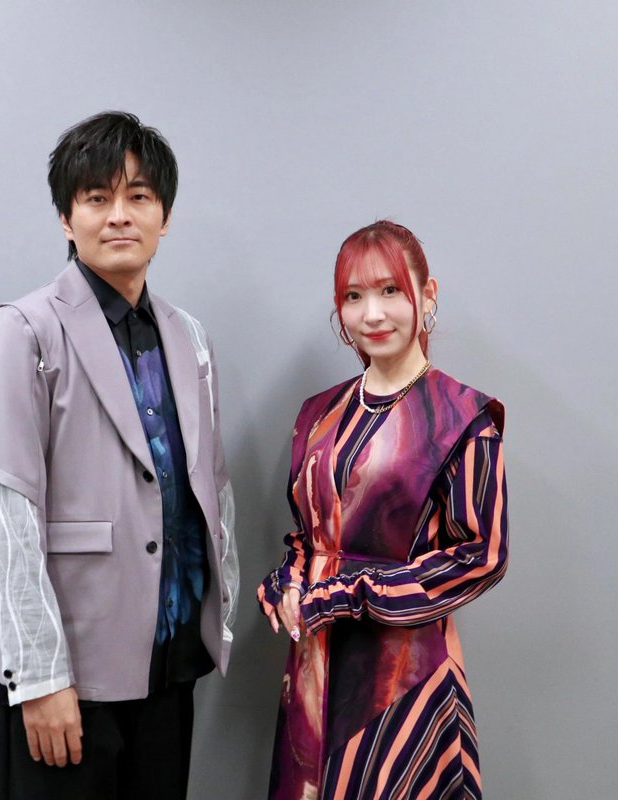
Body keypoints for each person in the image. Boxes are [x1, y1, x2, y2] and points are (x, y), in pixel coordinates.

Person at [0, 111, 238, 800]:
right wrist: (39, 676)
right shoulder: (25, 330)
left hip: (170, 661)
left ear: (164, 216)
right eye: (97, 198)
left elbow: (211, 486)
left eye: (138, 196)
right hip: (72, 675)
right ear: (67, 218)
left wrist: (221, 613)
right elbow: (7, 512)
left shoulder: (190, 337)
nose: (119, 215)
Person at [257, 220, 508, 799]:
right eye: (354, 296)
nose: (372, 313)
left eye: (390, 290)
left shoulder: (462, 417)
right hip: (314, 665)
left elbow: (481, 555)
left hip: (404, 673)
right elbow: (309, 536)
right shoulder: (318, 413)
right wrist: (287, 582)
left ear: (427, 294)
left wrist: (350, 594)